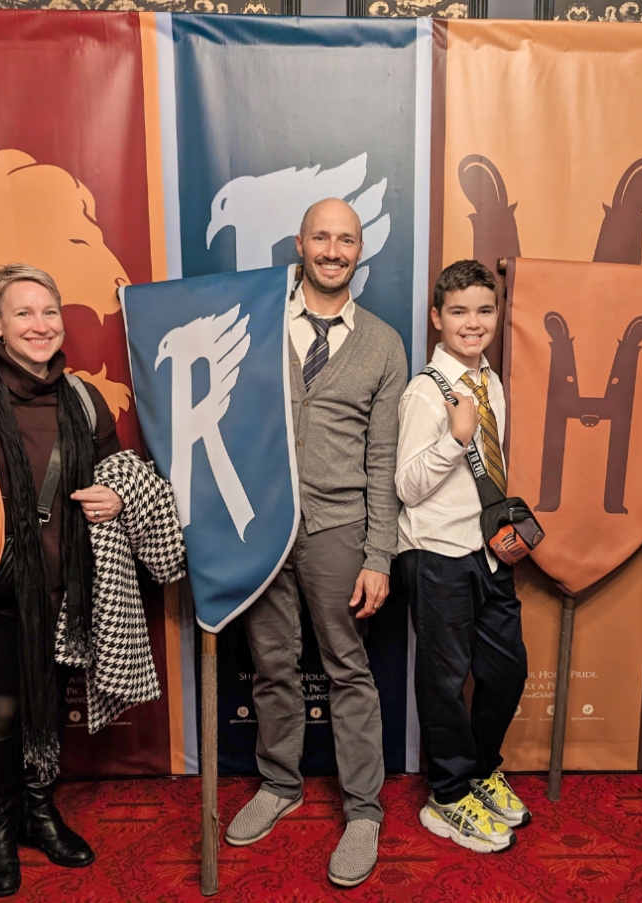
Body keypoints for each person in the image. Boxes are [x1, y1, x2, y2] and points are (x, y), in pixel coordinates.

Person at [223, 198, 407, 888]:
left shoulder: (382, 343)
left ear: (360, 250)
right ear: (299, 244)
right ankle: (279, 783)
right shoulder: (254, 320)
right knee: (271, 662)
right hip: (264, 525)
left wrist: (378, 555)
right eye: (321, 237)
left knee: (346, 667)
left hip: (339, 528)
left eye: (346, 239)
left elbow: (382, 460)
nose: (333, 249)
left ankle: (363, 808)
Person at [0, 263, 122, 897]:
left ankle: (38, 810)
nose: (39, 324)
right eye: (22, 313)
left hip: (68, 585)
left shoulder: (83, 398)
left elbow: (112, 470)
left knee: (50, 704)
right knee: (1, 706)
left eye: (49, 312)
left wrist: (114, 494)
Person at [393, 259, 529, 854]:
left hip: (490, 552)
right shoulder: (427, 392)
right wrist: (454, 439)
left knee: (506, 670)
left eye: (484, 310)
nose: (472, 324)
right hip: (437, 554)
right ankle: (447, 799)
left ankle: (480, 770)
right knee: (445, 682)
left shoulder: (491, 380)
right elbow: (406, 486)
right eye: (458, 312)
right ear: (436, 319)